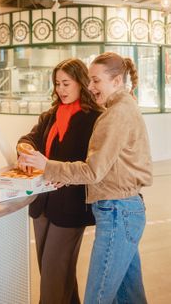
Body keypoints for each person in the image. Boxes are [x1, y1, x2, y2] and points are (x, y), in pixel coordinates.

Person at [19, 52, 153, 304]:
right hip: (118, 207)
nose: (91, 87)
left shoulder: (112, 115)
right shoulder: (118, 109)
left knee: (97, 296)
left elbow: (92, 170)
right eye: (57, 83)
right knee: (130, 294)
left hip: (116, 208)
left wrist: (49, 167)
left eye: (95, 81)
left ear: (116, 80)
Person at [17, 58, 102, 304]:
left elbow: (91, 164)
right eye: (57, 84)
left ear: (81, 84)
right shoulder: (50, 115)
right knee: (53, 271)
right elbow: (29, 138)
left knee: (54, 274)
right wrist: (25, 150)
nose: (61, 90)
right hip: (42, 202)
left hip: (72, 206)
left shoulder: (95, 118)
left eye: (66, 83)